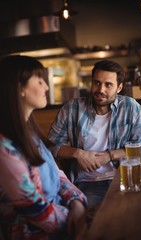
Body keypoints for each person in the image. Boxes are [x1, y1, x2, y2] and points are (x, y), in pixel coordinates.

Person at [0, 55, 87, 240]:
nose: (46, 87)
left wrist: (76, 202)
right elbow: (34, 209)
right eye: (40, 81)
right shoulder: (4, 148)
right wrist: (79, 220)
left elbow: (58, 175)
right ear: (19, 88)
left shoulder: (29, 133)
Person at [48, 59, 141, 207]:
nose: (100, 89)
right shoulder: (71, 109)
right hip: (88, 183)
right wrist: (77, 153)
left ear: (119, 87)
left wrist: (109, 156)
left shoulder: (131, 108)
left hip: (123, 178)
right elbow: (50, 146)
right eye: (96, 83)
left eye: (108, 85)